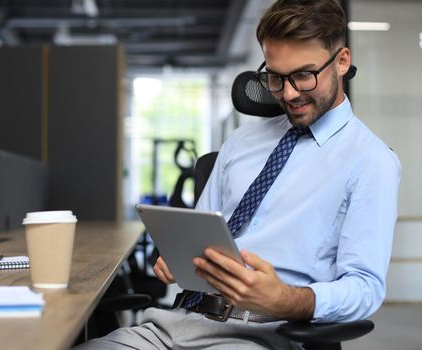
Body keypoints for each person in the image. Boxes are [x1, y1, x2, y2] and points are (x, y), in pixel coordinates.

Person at [74, 0, 401, 349]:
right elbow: (200, 233)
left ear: (341, 62)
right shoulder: (241, 141)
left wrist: (285, 299)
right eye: (276, 77)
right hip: (173, 325)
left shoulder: (371, 161)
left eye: (304, 75)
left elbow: (365, 288)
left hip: (263, 336)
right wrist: (179, 257)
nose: (289, 94)